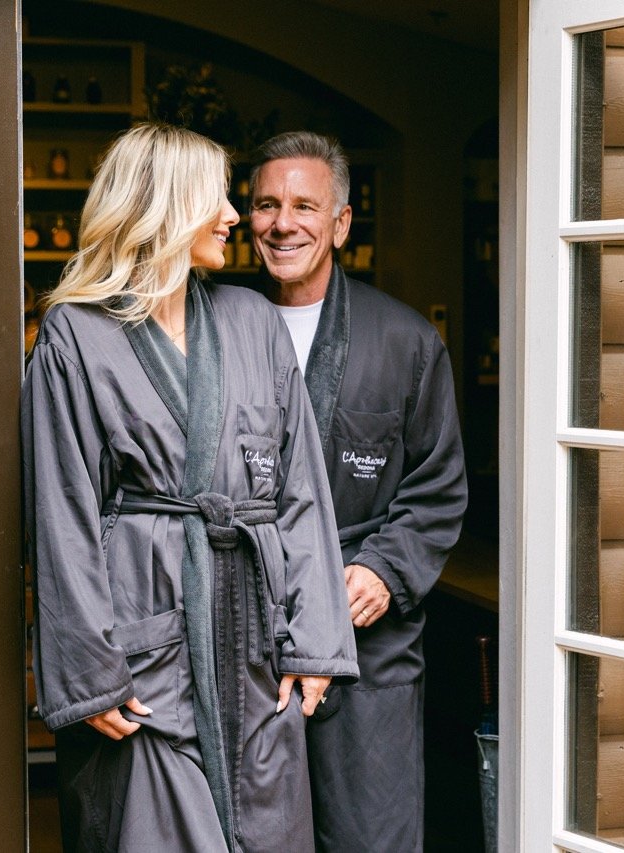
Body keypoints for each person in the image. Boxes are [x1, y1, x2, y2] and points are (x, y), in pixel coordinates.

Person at [22, 123, 358, 853]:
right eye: (220, 199)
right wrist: (91, 672)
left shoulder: (251, 320)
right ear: (167, 208)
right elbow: (62, 514)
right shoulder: (76, 336)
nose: (237, 217)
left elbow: (299, 489)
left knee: (268, 829)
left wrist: (314, 639)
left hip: (254, 647)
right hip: (145, 650)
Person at [250, 131, 467, 852]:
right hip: (248, 632)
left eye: (305, 205)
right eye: (266, 205)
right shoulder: (217, 325)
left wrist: (384, 567)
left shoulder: (404, 340)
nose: (284, 223)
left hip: (365, 647)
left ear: (341, 223)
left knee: (370, 836)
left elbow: (438, 483)